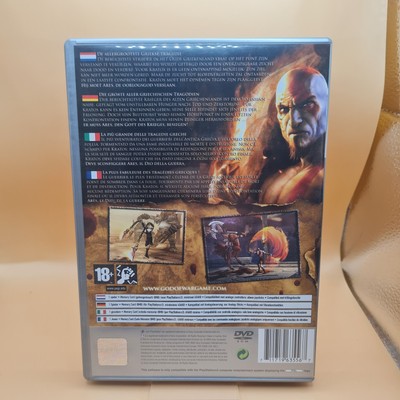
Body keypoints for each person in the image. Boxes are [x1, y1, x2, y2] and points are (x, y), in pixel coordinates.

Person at [209, 66, 329, 204]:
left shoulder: (329, 178)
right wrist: (224, 201)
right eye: (283, 109)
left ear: (328, 107)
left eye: (307, 105)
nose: (293, 121)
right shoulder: (275, 180)